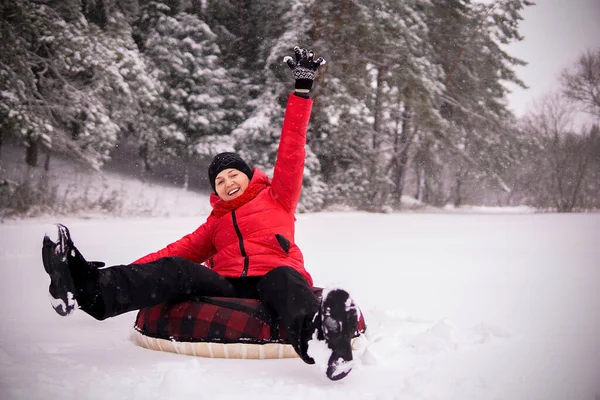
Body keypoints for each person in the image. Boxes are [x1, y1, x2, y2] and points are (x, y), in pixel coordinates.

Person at [41, 46, 359, 381]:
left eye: (234, 174)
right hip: (228, 287)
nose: (228, 182)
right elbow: (170, 254)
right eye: (220, 181)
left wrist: (301, 93)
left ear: (248, 175)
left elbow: (292, 148)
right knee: (176, 269)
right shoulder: (215, 224)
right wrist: (127, 272)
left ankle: (321, 337)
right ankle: (84, 287)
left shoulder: (277, 196)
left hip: (275, 278)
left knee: (283, 278)